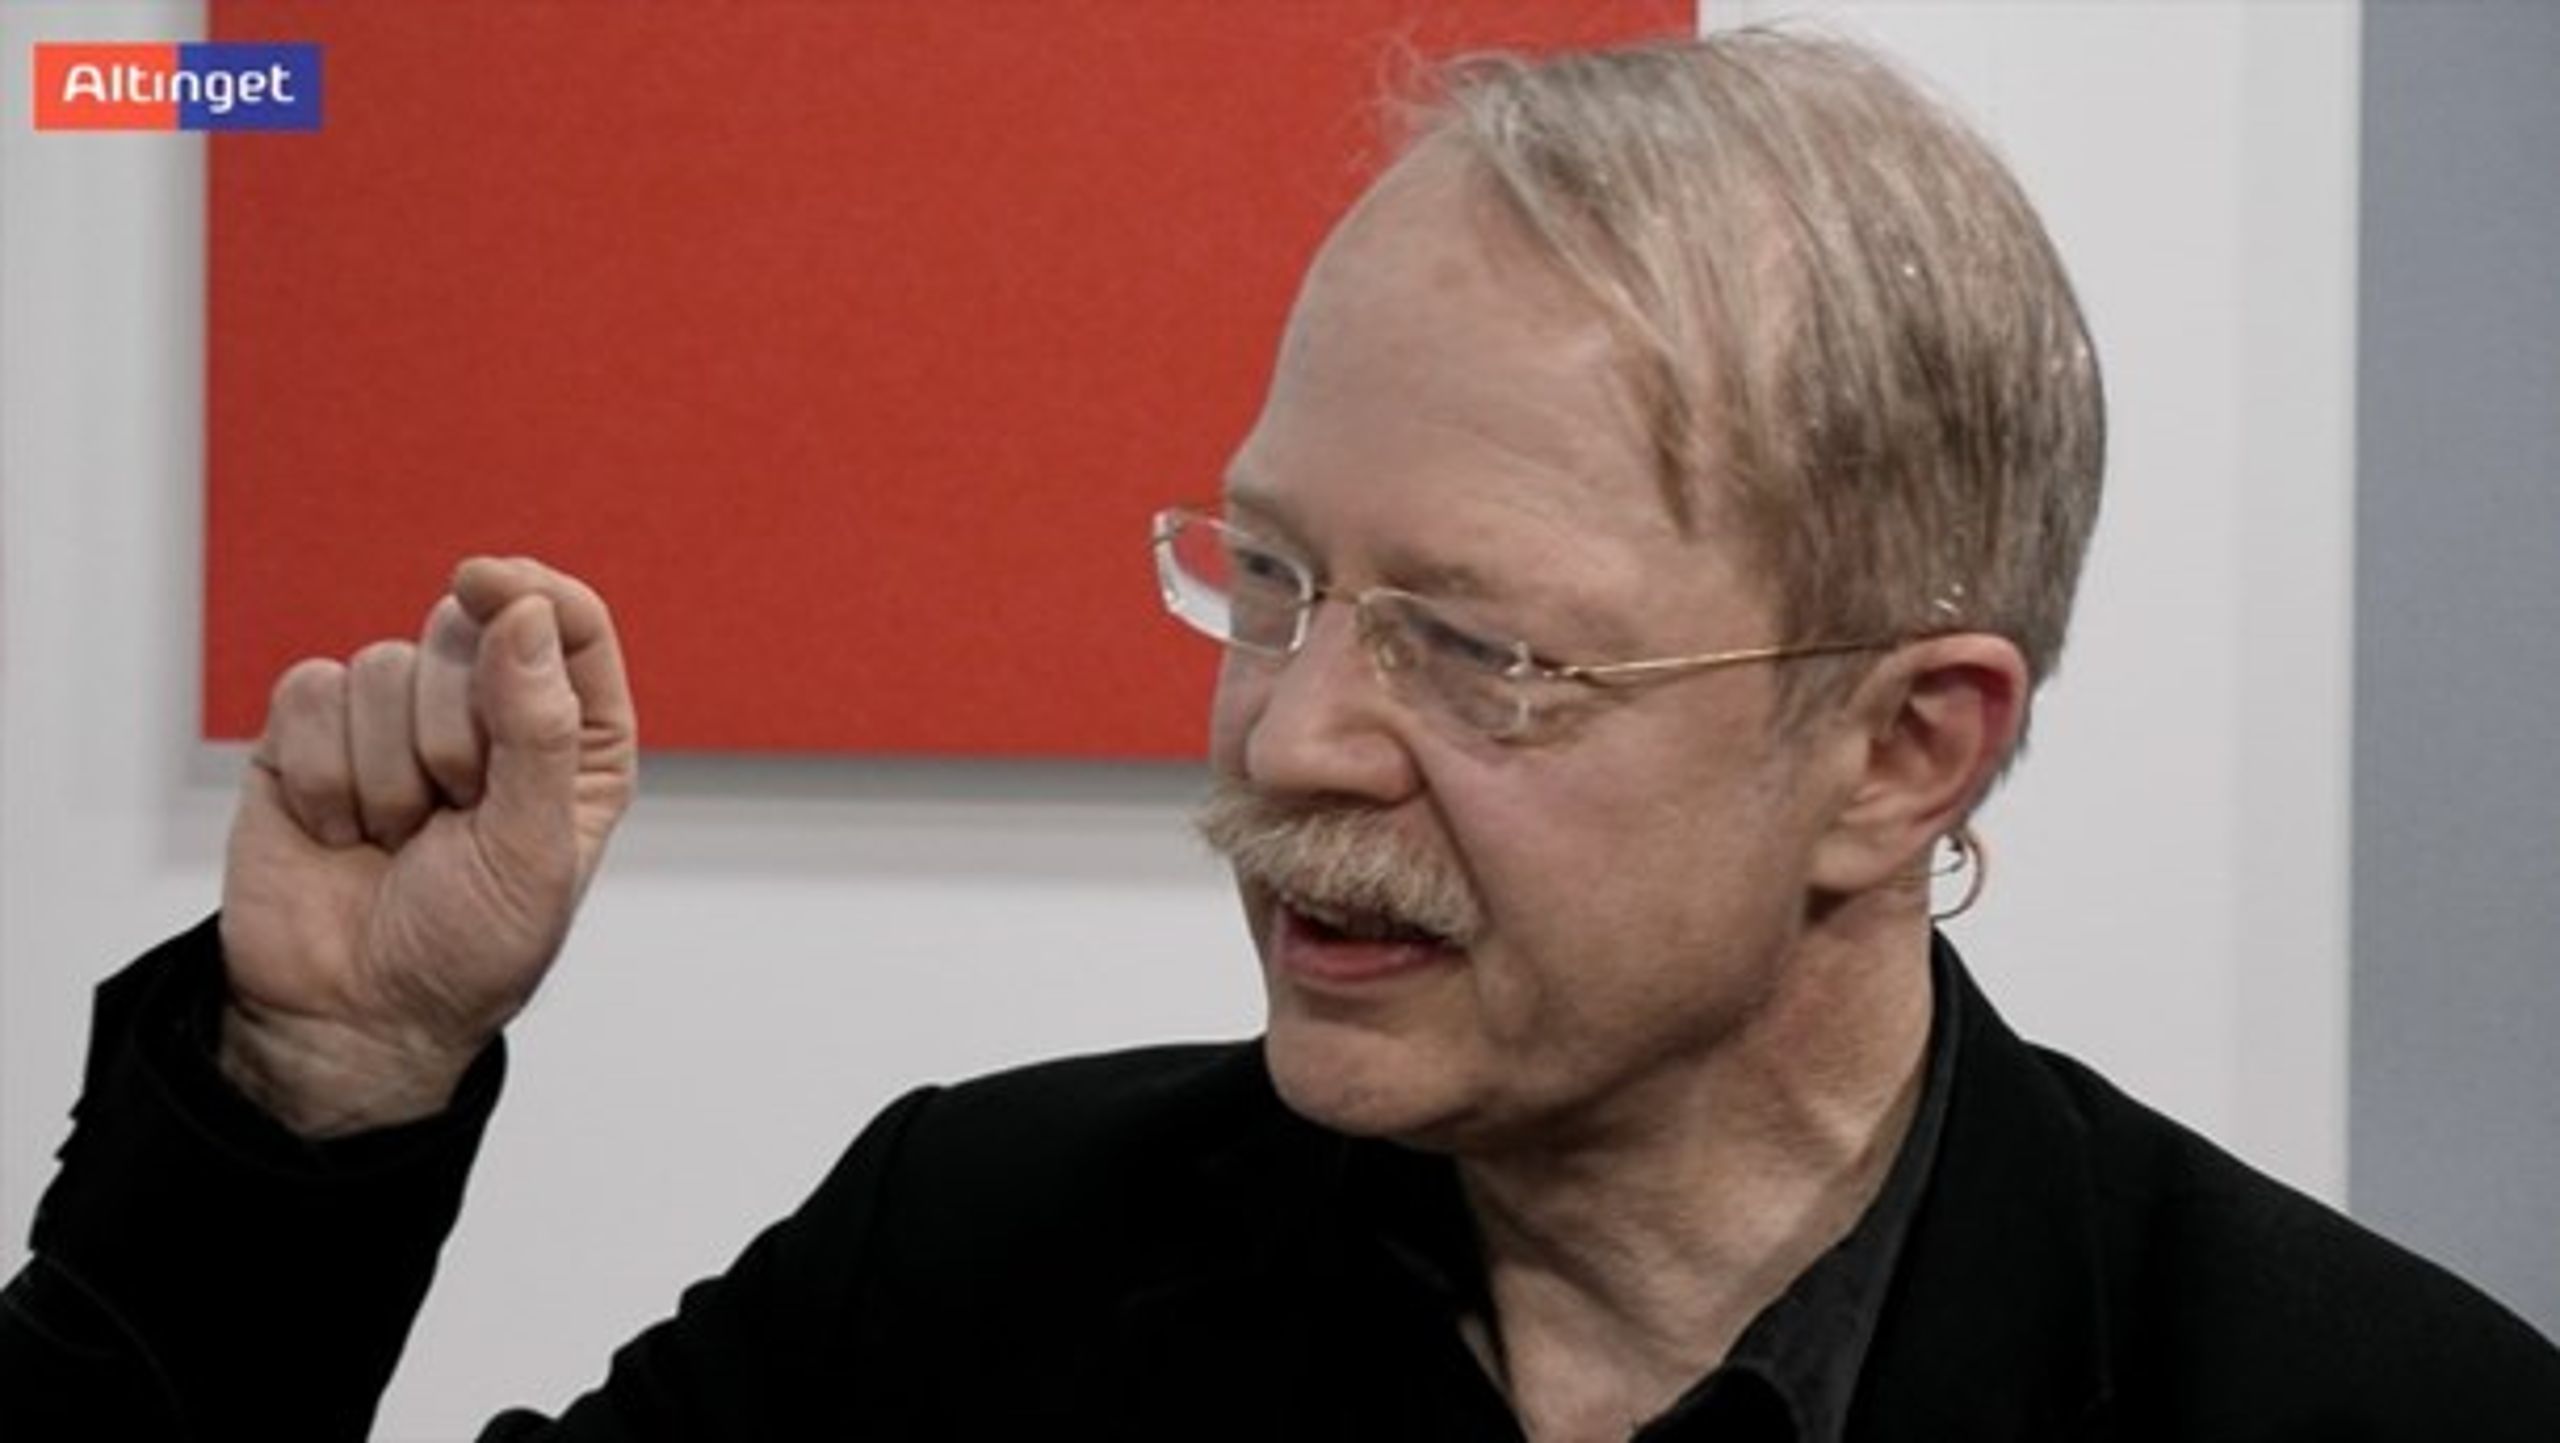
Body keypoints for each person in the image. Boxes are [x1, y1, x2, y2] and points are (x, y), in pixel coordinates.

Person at [6, 30, 2557, 1443]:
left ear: (1903, 752)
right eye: (1267, 580)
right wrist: (314, 1086)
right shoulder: (971, 1272)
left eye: (1483, 648)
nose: (1297, 733)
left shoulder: (2360, 1419)